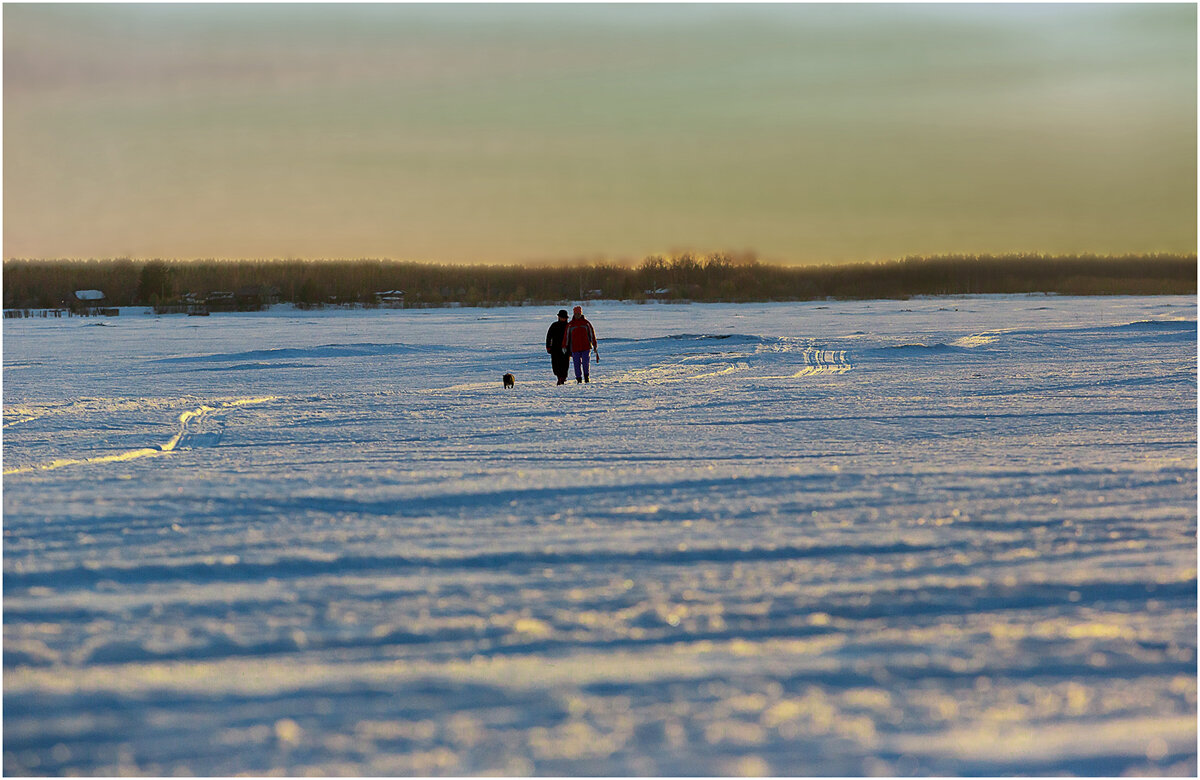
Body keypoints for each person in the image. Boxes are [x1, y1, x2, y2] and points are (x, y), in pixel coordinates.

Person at [564, 305, 598, 383]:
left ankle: (586, 377)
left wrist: (594, 344)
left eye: (578, 314)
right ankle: (579, 379)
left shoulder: (586, 323)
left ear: (581, 314)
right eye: (576, 314)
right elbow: (566, 337)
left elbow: (592, 334)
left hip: (586, 347)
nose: (577, 316)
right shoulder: (570, 324)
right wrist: (564, 346)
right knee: (576, 364)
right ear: (574, 314)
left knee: (586, 363)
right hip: (575, 348)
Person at [545, 309, 570, 385]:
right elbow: (549, 337)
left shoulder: (568, 326)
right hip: (555, 349)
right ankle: (559, 377)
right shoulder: (554, 325)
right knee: (555, 365)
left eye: (564, 317)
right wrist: (548, 347)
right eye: (561, 317)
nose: (562, 318)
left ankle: (562, 378)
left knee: (565, 364)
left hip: (566, 348)